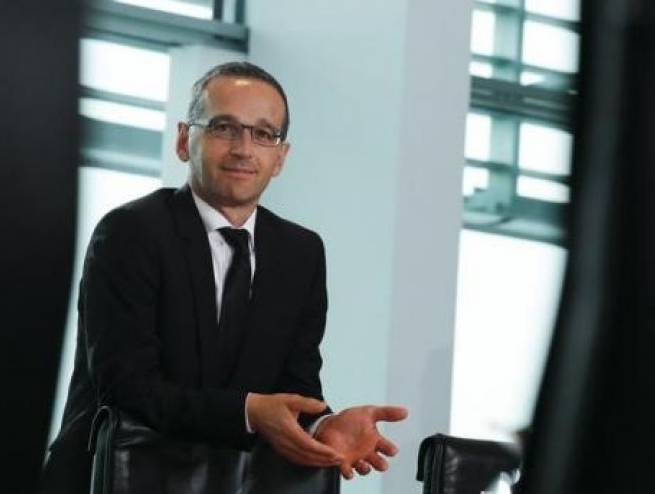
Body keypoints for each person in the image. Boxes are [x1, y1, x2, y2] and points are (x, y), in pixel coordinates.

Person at [41, 61, 407, 493]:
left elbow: (296, 386)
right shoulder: (130, 232)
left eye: (263, 134)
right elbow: (127, 386)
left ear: (280, 157)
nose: (243, 148)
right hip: (117, 478)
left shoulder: (300, 252)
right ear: (183, 139)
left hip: (233, 482)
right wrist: (249, 412)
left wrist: (324, 423)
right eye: (224, 128)